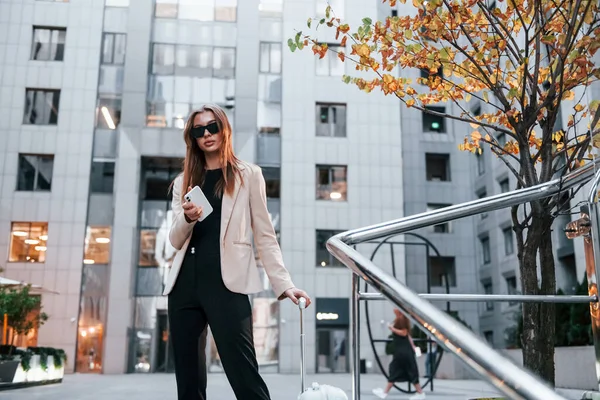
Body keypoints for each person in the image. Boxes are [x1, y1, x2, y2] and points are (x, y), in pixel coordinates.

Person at [163, 104, 312, 400]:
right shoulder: (184, 181)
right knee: (188, 383)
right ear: (192, 137)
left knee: (244, 375)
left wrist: (285, 284)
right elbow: (175, 240)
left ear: (224, 129)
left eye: (212, 127)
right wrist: (188, 217)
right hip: (183, 286)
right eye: (198, 130)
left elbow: (265, 236)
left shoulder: (248, 175)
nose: (206, 134)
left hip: (227, 284)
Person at [372, 309, 425, 399]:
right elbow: (408, 335)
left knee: (396, 370)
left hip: (402, 352)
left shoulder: (401, 320)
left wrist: (391, 328)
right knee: (407, 371)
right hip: (404, 352)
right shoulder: (401, 320)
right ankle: (419, 393)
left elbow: (404, 333)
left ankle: (385, 393)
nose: (394, 309)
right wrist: (413, 347)